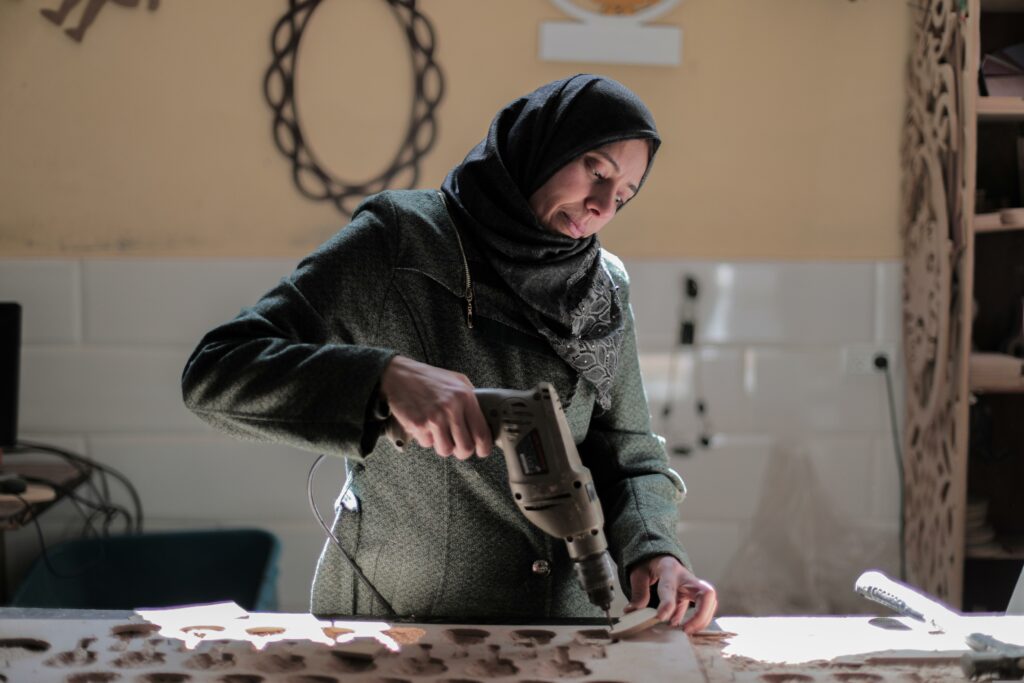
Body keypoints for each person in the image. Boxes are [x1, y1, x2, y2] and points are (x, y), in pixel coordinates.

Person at [182, 74, 717, 632]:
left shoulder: (601, 287)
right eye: (596, 171)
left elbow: (628, 452)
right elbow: (215, 374)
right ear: (539, 146)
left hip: (556, 631)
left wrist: (657, 551)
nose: (604, 205)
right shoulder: (402, 240)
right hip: (398, 633)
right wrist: (382, 380)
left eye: (625, 194)